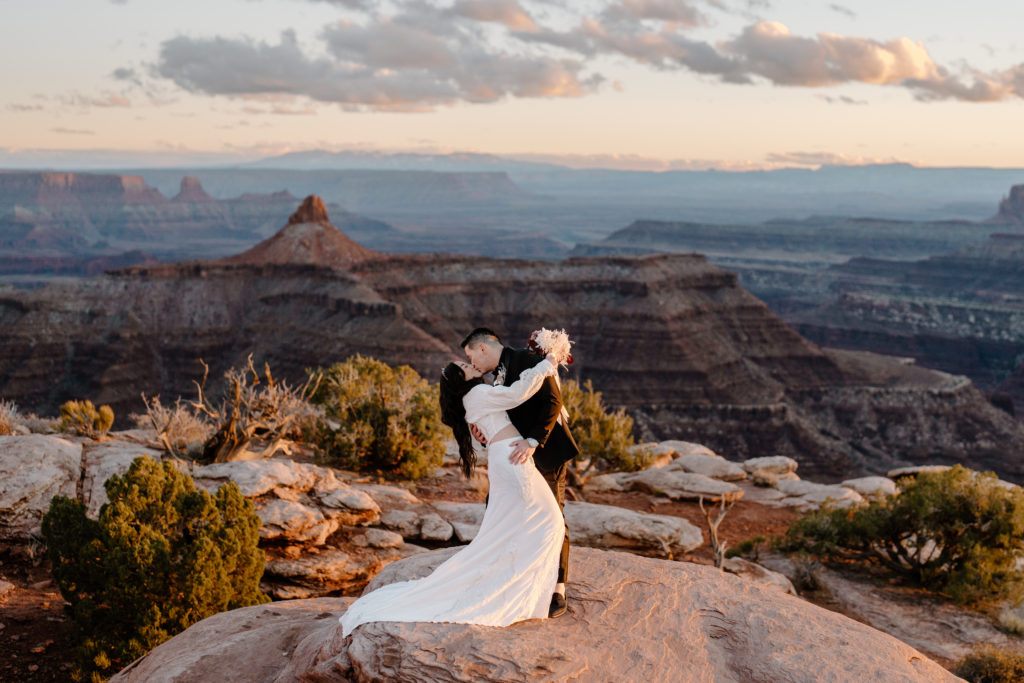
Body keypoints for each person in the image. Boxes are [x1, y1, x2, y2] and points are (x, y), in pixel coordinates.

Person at [339, 349, 566, 636]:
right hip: (512, 460)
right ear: (462, 379)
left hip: (504, 457)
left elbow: (501, 406)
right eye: (465, 365)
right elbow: (517, 394)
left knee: (513, 522)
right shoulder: (478, 394)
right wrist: (547, 365)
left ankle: (520, 577)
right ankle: (522, 584)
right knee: (551, 521)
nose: (471, 364)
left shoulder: (474, 396)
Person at [462, 327, 580, 618]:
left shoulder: (527, 359)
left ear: (483, 348)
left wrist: (533, 441)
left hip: (546, 450)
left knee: (552, 513)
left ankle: (557, 587)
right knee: (498, 507)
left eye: (471, 356)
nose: (472, 364)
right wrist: (481, 433)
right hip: (516, 454)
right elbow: (501, 416)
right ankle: (507, 574)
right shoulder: (496, 375)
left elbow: (553, 401)